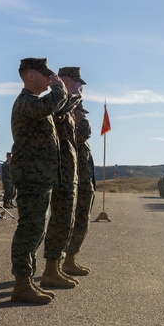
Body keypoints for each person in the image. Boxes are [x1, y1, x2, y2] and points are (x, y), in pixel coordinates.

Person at [9, 57, 67, 305]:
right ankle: (22, 283)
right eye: (46, 75)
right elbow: (51, 104)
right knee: (30, 230)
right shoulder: (26, 102)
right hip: (31, 176)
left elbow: (57, 108)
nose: (50, 79)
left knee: (35, 229)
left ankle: (27, 281)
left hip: (39, 176)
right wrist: (60, 87)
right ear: (31, 75)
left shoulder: (34, 102)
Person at [41, 65, 85, 290]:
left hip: (68, 172)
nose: (79, 87)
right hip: (59, 172)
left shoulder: (68, 105)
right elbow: (58, 112)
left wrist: (74, 98)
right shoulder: (57, 103)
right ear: (65, 81)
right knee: (59, 219)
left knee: (66, 220)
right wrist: (73, 97)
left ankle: (55, 266)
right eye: (75, 82)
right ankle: (50, 269)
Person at [62, 104, 96, 277]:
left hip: (84, 186)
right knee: (76, 224)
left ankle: (69, 259)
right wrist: (82, 119)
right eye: (80, 113)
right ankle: (67, 261)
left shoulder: (79, 138)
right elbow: (85, 131)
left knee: (81, 225)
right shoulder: (74, 135)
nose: (83, 116)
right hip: (78, 187)